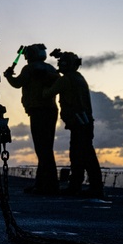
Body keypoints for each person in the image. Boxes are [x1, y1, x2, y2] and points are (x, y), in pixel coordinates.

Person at [44, 50, 104, 198]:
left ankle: (79, 187)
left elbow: (48, 93)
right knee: (85, 155)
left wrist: (43, 83)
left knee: (80, 156)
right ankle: (87, 187)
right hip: (85, 121)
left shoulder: (65, 80)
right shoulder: (79, 77)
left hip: (78, 122)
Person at [4, 43, 60, 194]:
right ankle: (44, 184)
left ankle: (48, 185)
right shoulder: (50, 68)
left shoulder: (29, 69)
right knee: (47, 148)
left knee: (42, 149)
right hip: (51, 110)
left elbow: (17, 84)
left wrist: (9, 75)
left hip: (37, 110)